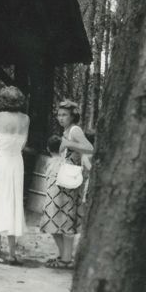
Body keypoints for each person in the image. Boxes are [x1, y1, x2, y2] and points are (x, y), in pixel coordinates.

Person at [39, 100, 93, 269]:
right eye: (59, 114)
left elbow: (90, 148)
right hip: (63, 179)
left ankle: (66, 259)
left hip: (70, 179)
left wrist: (69, 143)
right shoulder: (66, 130)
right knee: (56, 217)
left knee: (65, 218)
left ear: (72, 116)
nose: (60, 118)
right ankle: (63, 255)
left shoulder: (75, 130)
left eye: (64, 115)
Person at [0, 86, 30, 266]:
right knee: (13, 202)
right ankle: (12, 251)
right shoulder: (26, 119)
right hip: (16, 162)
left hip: (0, 160)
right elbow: (24, 142)